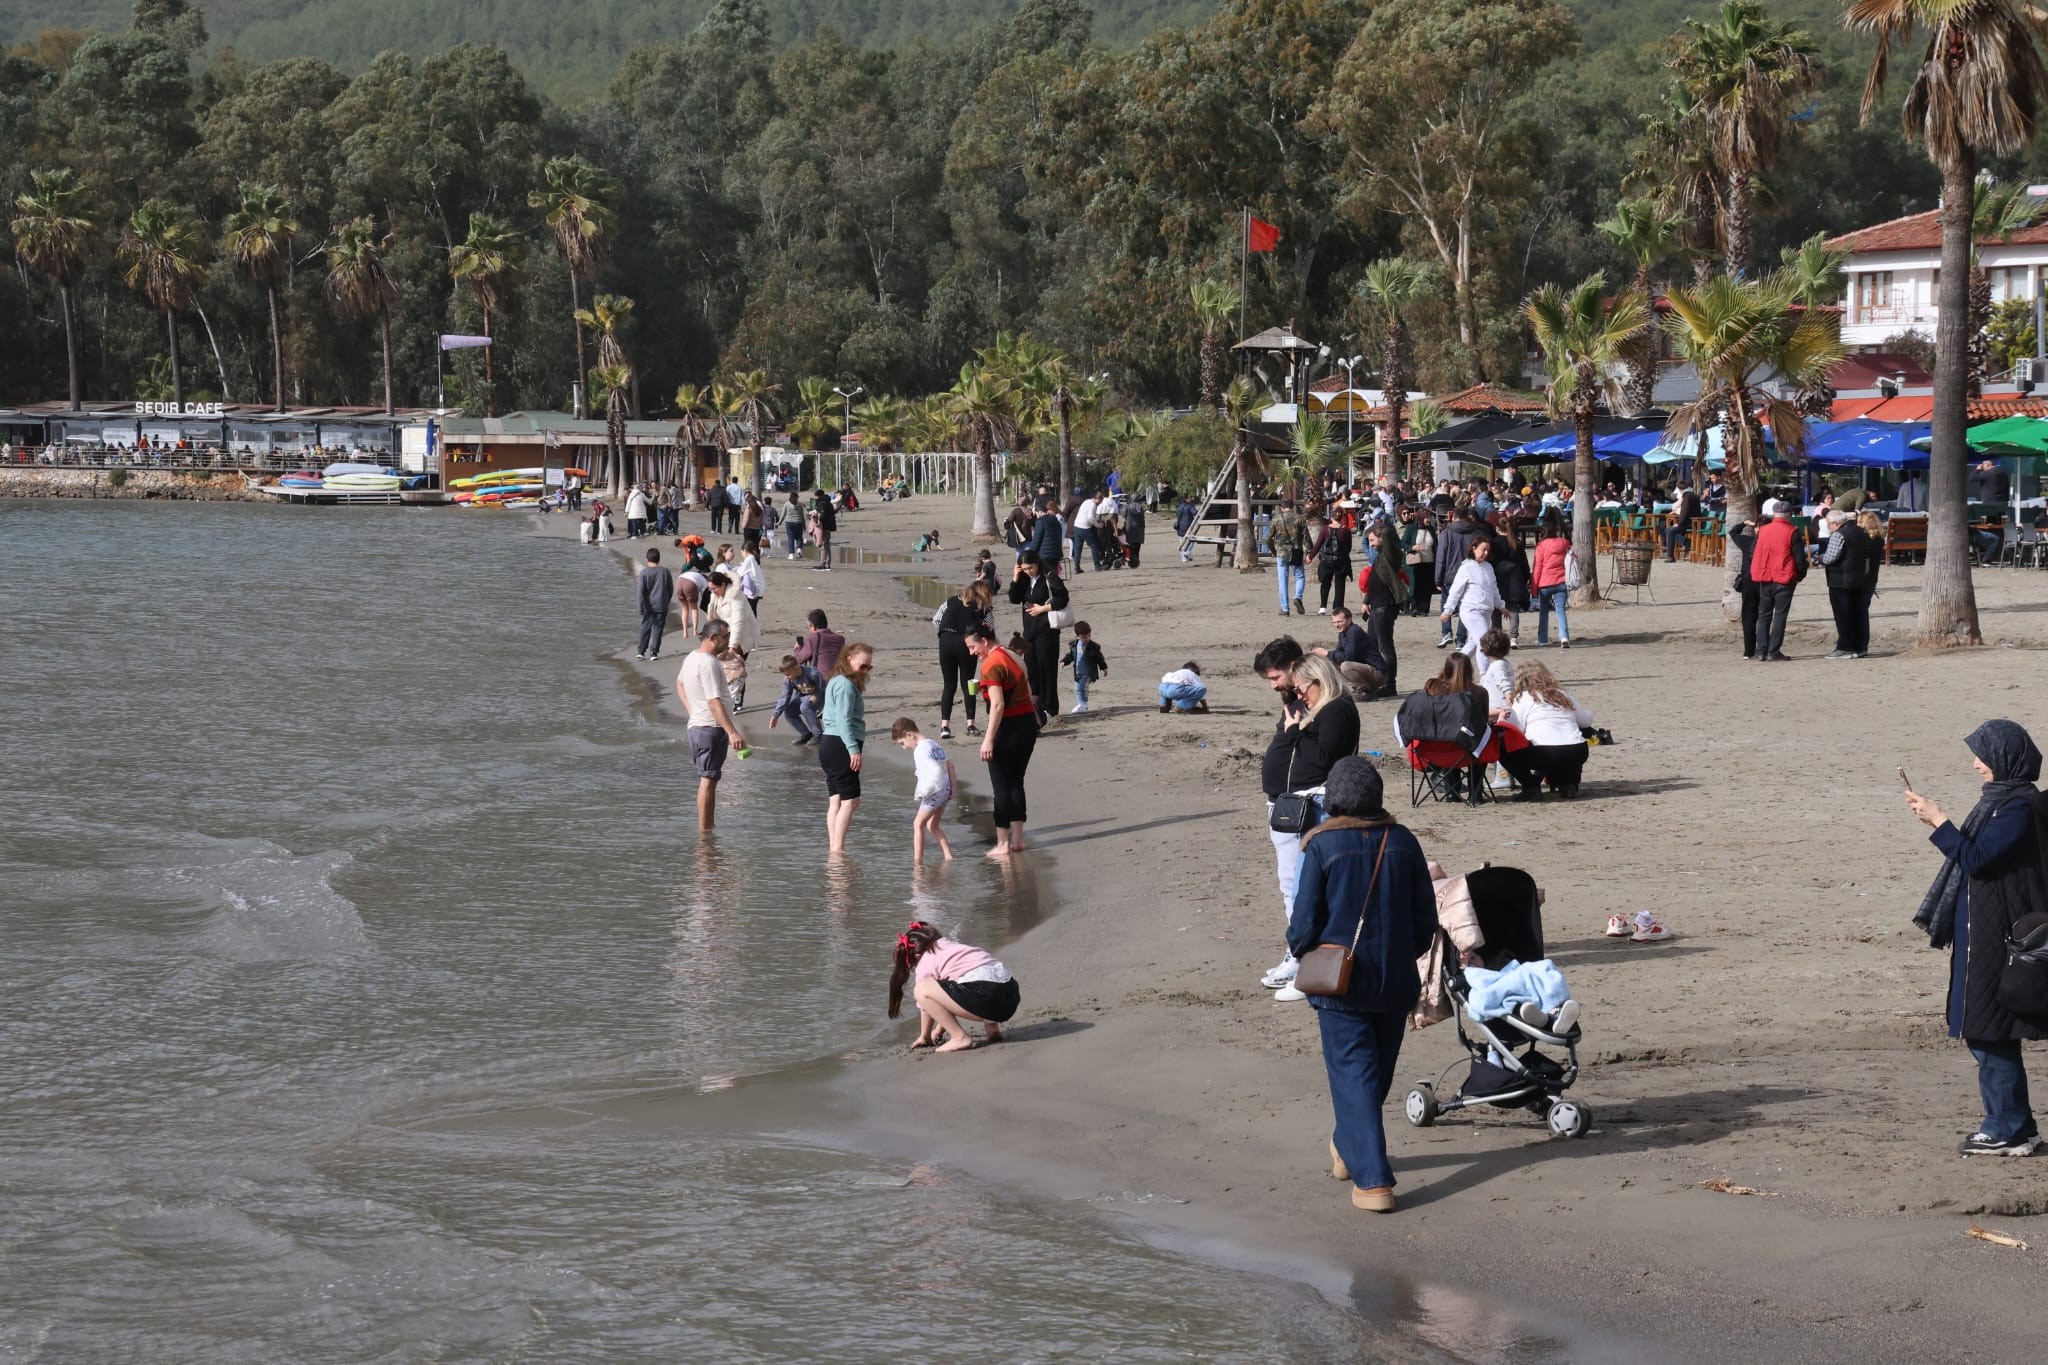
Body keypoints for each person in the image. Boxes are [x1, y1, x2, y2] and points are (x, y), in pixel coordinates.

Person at [1286, 756, 1438, 1213]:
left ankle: (1374, 1181)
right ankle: (1347, 1147)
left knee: (1355, 1074)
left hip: (1340, 979)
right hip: (1395, 977)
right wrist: (1400, 953)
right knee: (1373, 1072)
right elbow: (1425, 919)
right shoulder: (1404, 839)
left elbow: (1304, 920)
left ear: (1332, 800)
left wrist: (1301, 950)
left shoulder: (1322, 846)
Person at [1906, 720, 2048, 1156]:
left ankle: (2007, 1126)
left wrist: (1938, 820)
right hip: (1988, 930)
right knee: (1987, 1030)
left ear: (2005, 759)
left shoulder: (2019, 807)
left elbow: (1976, 858)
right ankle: (2015, 1125)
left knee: (1988, 1030)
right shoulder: (2004, 803)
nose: (1976, 765)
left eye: (1982, 757)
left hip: (2001, 937)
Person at [1258, 647, 1362, 1000]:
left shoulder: (1336, 711)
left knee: (1306, 888)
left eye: (1303, 687)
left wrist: (1293, 733)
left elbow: (1323, 756)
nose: (1298, 693)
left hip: (1313, 804)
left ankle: (1308, 964)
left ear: (1319, 681)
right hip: (1295, 804)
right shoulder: (1319, 709)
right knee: (1294, 885)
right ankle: (1298, 956)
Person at [888, 921, 1018, 1052]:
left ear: (917, 956)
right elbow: (948, 997)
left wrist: (925, 1036)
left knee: (921, 990)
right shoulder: (955, 947)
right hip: (1010, 996)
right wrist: (938, 1032)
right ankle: (992, 1029)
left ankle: (959, 1037)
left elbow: (927, 1006)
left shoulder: (926, 960)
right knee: (974, 979)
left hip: (986, 998)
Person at [965, 622, 1038, 859]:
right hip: (1027, 725)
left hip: (1008, 728)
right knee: (1016, 781)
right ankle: (1017, 840)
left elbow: (997, 704)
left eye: (972, 646)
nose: (971, 652)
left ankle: (1002, 843)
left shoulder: (991, 664)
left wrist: (988, 740)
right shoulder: (1011, 654)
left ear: (984, 641)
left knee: (1001, 786)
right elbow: (1025, 692)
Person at [677, 620, 748, 830]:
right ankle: (705, 830)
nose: (728, 641)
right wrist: (732, 732)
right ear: (713, 638)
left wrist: (692, 711)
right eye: (725, 637)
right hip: (710, 729)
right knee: (708, 779)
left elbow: (679, 683)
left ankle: (707, 827)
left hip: (699, 726)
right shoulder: (708, 663)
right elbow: (713, 701)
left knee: (709, 778)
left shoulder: (691, 657)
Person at [1496, 660, 1593, 800]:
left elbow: (1515, 729)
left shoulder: (1523, 698)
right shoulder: (1562, 694)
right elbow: (1585, 721)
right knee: (1576, 734)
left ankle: (1530, 786)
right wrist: (1588, 713)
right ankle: (1569, 783)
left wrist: (1501, 719)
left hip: (1545, 753)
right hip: (1578, 751)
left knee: (1503, 745)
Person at [819, 643, 873, 855]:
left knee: (836, 799)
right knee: (851, 800)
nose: (866, 671)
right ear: (849, 659)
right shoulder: (845, 685)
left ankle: (834, 848)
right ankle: (837, 851)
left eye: (869, 667)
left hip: (830, 744)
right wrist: (853, 749)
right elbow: (843, 719)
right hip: (840, 745)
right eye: (862, 666)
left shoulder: (837, 681)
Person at [1008, 550, 1068, 726]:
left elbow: (1062, 598)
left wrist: (1043, 608)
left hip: (1047, 629)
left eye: (1030, 568)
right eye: (1025, 568)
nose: (1028, 571)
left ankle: (1050, 708)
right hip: (1029, 631)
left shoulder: (1049, 576)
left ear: (1037, 563)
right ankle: (1036, 705)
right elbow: (1013, 598)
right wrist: (1015, 577)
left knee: (1047, 669)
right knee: (1032, 669)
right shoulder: (1024, 579)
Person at [892, 718, 957, 863]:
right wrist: (953, 788)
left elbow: (935, 772)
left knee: (917, 824)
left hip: (935, 791)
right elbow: (950, 766)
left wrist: (924, 792)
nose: (904, 747)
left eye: (902, 743)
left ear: (910, 735)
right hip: (945, 789)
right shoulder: (934, 743)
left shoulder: (920, 750)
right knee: (932, 825)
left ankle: (918, 862)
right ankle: (948, 856)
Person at [1749, 499, 1805, 662]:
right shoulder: (1792, 531)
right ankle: (1773, 651)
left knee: (1764, 614)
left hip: (1765, 576)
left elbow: (1753, 550)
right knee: (1780, 615)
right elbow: (1799, 558)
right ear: (1789, 514)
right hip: (1784, 577)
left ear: (1774, 513)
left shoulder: (1763, 530)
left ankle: (1760, 650)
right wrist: (1799, 575)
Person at [1819, 509, 1878, 660]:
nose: (1829, 527)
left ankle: (1845, 647)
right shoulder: (1861, 532)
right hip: (1858, 579)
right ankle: (1860, 646)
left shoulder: (1839, 534)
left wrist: (1820, 558)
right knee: (1858, 615)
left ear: (1835, 523)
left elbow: (1830, 558)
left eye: (1829, 524)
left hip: (1840, 580)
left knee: (1843, 615)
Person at [934, 581, 988, 740]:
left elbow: (936, 620)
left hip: (946, 641)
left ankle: (945, 727)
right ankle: (970, 724)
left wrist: (944, 635)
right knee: (969, 683)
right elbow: (989, 627)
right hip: (966, 644)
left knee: (949, 685)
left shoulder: (949, 601)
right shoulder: (980, 607)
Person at [1440, 537, 1502, 662]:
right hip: (1471, 610)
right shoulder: (1466, 567)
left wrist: (1500, 605)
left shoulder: (1488, 567)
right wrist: (1448, 610)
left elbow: (1493, 588)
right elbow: (1455, 591)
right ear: (1474, 548)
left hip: (1486, 610)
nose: (1486, 553)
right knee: (1484, 641)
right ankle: (1485, 674)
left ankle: (1455, 666)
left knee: (1473, 643)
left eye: (1487, 551)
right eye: (1483, 550)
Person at [1433, 505, 1484, 647]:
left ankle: (1446, 632)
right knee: (1464, 606)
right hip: (1470, 573)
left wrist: (1438, 578)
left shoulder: (1446, 533)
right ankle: (1461, 639)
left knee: (1446, 603)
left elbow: (1441, 557)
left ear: (1453, 516)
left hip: (1449, 574)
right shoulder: (1476, 532)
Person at [1316, 606, 1381, 698]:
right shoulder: (1343, 632)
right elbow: (1339, 652)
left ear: (1349, 619)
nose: (1336, 625)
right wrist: (1328, 656)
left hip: (1377, 673)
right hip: (1364, 669)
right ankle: (1344, 689)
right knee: (1330, 662)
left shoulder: (1354, 632)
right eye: (1334, 622)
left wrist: (1327, 653)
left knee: (1345, 666)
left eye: (1339, 622)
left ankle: (1365, 689)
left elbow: (1349, 657)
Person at [1530, 511, 1572, 649]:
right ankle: (1564, 637)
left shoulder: (1541, 546)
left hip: (1545, 582)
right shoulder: (1564, 543)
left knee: (1544, 611)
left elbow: (1537, 567)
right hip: (1561, 581)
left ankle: (1542, 638)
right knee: (1560, 610)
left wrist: (1534, 588)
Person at [769, 654, 824, 746]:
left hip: (818, 697)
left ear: (797, 667)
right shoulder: (788, 680)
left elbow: (826, 688)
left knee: (805, 706)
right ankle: (806, 734)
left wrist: (826, 704)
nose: (787, 677)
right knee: (789, 711)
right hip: (803, 698)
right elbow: (784, 697)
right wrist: (775, 715)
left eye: (789, 674)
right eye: (785, 675)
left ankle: (818, 734)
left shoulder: (813, 674)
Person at [1728, 516, 1761, 659]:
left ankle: (1749, 650)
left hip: (1749, 581)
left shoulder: (1748, 542)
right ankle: (1763, 647)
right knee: (1764, 616)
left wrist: (1745, 523)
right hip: (1765, 582)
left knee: (1748, 616)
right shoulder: (1771, 544)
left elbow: (1733, 532)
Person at [1270, 497, 1308, 617]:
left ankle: (1285, 608)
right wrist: (1308, 552)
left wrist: (1273, 551)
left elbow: (1268, 538)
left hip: (1281, 552)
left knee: (1283, 580)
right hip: (1296, 550)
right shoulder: (1300, 519)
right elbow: (1306, 537)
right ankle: (1298, 596)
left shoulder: (1276, 519)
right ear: (1292, 506)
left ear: (1281, 507)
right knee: (1300, 576)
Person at [635, 548, 674, 662]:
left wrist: (641, 607)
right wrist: (666, 601)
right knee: (658, 629)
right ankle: (654, 652)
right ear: (659, 559)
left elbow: (640, 592)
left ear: (647, 559)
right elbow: (670, 588)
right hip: (661, 604)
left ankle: (641, 651)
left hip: (648, 606)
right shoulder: (665, 571)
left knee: (645, 628)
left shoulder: (644, 573)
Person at [1063, 620, 1107, 716]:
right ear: (1077, 636)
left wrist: (1104, 668)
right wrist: (1064, 662)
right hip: (1078, 671)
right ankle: (1082, 704)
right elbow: (1070, 656)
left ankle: (1083, 705)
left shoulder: (1093, 646)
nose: (1087, 638)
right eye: (1084, 637)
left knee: (1080, 688)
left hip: (1088, 672)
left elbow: (1099, 658)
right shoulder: (1074, 645)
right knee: (1079, 688)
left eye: (1088, 636)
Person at [1312, 513, 1351, 615]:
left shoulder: (1325, 529)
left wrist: (1310, 556)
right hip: (1340, 560)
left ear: (1332, 517)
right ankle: (1337, 607)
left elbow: (1318, 544)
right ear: (1342, 518)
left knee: (1325, 583)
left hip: (1326, 560)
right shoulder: (1346, 530)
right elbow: (1348, 547)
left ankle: (1323, 606)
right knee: (1340, 584)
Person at [1401, 507, 1436, 618]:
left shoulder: (1431, 529)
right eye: (1426, 517)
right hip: (1415, 562)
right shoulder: (1411, 528)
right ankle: (1414, 607)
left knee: (1426, 586)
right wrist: (1412, 547)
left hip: (1429, 561)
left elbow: (1436, 544)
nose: (1428, 519)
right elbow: (1403, 543)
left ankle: (1424, 609)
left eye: (1429, 517)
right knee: (1415, 584)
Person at [794, 608, 845, 678]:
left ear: (813, 626)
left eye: (809, 627)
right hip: (838, 678)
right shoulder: (840, 639)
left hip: (820, 680)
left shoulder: (812, 638)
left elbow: (798, 660)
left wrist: (798, 647)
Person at [1475, 629, 1513, 712]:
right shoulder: (1502, 663)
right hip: (1499, 708)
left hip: (1498, 709)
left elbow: (1505, 684)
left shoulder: (1498, 665)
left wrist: (1509, 697)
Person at [1069, 487, 1100, 572]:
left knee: (1078, 548)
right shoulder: (1093, 504)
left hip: (1076, 526)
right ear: (1096, 498)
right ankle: (1097, 565)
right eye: (1100, 500)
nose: (1100, 502)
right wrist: (1098, 525)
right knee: (1094, 546)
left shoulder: (1086, 501)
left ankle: (1076, 567)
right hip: (1085, 528)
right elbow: (1090, 518)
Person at [810, 487, 837, 569]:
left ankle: (823, 564)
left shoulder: (822, 503)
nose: (816, 498)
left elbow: (822, 516)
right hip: (829, 526)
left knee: (823, 545)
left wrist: (816, 519)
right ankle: (828, 564)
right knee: (827, 545)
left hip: (823, 527)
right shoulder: (829, 503)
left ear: (818, 496)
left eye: (816, 497)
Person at [1122, 495, 1147, 568]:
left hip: (1129, 528)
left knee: (1130, 545)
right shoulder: (1140, 507)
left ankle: (1130, 560)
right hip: (1138, 528)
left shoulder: (1127, 506)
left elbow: (1124, 516)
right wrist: (1143, 526)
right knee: (1137, 545)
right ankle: (1136, 561)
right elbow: (1142, 519)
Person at [1175, 491, 1199, 563]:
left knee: (1182, 541)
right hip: (1188, 526)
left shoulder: (1179, 506)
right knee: (1192, 540)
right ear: (1186, 499)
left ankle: (1184, 558)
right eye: (1190, 497)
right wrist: (1195, 508)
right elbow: (1195, 512)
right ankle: (1187, 552)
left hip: (1179, 526)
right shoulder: (1190, 506)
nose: (1191, 498)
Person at [783, 489, 806, 558]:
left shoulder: (787, 504)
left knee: (791, 538)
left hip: (789, 523)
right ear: (797, 497)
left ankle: (791, 554)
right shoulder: (800, 504)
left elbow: (783, 514)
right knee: (799, 537)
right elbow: (802, 516)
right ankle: (799, 549)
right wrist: (804, 526)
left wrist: (779, 523)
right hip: (799, 523)